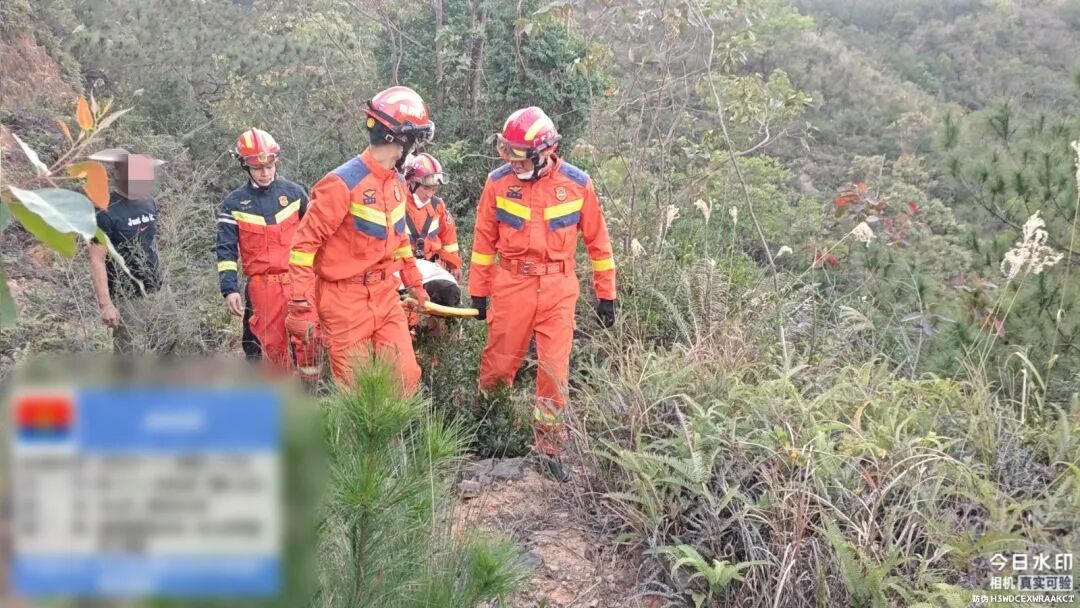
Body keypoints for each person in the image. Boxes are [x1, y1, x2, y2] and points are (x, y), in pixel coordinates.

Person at [468, 107, 618, 482]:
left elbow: (599, 243)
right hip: (512, 284)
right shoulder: (497, 183)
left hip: (558, 288)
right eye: (507, 151)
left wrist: (607, 295)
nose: (512, 160)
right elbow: (483, 242)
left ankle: (549, 449)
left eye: (519, 154)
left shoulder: (578, 184)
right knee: (499, 365)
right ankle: (486, 432)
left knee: (553, 371)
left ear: (545, 151)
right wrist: (478, 292)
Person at [285, 85, 432, 391]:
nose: (415, 147)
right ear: (399, 139)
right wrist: (300, 304)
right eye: (415, 139)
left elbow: (400, 242)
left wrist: (415, 284)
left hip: (386, 295)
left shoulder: (397, 183)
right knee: (357, 392)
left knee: (406, 378)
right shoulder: (341, 184)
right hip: (343, 302)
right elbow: (303, 247)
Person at [216, 128, 316, 379]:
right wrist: (229, 289)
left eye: (269, 166)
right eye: (257, 167)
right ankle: (281, 395)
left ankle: (314, 391)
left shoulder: (294, 194)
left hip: (299, 281)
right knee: (273, 346)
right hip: (263, 287)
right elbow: (226, 250)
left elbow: (315, 236)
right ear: (245, 166)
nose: (265, 172)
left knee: (310, 340)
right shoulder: (233, 204)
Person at [87, 148, 178, 354]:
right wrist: (105, 304)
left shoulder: (149, 202)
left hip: (158, 289)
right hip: (127, 296)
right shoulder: (104, 211)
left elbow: (150, 242)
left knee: (169, 342)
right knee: (128, 355)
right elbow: (96, 259)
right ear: (118, 173)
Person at [402, 153, 462, 279]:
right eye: (426, 188)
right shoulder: (397, 204)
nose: (429, 194)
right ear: (411, 183)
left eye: (434, 189)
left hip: (434, 268)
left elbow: (448, 237)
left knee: (450, 290)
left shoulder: (437, 206)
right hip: (405, 269)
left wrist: (454, 264)